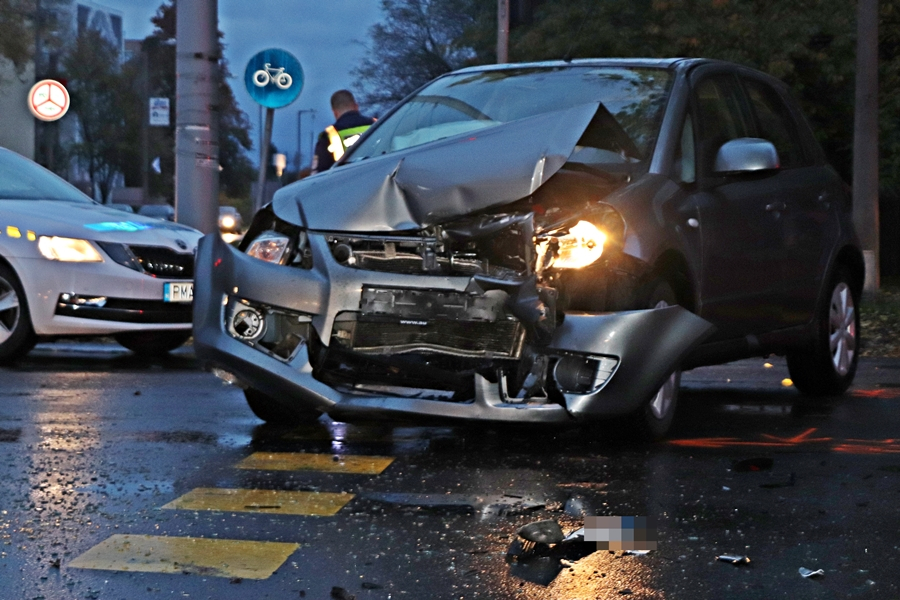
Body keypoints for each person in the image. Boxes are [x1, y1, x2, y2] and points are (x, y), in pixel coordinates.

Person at [311, 90, 375, 174]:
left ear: (335, 112)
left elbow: (319, 173)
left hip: (347, 183)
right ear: (356, 106)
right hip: (380, 180)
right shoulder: (377, 124)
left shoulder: (328, 136)